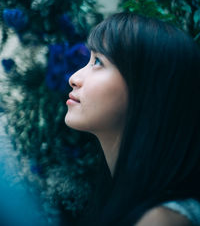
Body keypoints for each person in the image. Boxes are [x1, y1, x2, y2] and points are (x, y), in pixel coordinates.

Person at [65, 13, 200, 226]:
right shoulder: (124, 197)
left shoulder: (162, 220)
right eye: (89, 60)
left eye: (98, 61)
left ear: (148, 89)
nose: (74, 78)